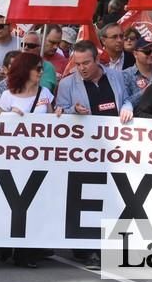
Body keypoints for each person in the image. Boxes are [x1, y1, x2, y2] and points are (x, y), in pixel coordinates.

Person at [55, 39, 134, 270]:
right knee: (88, 199)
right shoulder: (68, 84)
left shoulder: (116, 76)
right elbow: (59, 113)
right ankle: (87, 249)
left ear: (97, 60)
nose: (81, 68)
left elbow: (126, 98)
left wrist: (127, 108)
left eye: (86, 63)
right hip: (85, 151)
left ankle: (104, 246)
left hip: (114, 150)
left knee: (110, 197)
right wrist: (73, 111)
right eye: (77, 64)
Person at [0, 51, 54, 268]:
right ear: (26, 70)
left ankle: (26, 252)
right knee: (11, 202)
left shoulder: (45, 93)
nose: (41, 72)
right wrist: (6, 115)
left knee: (33, 203)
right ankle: (6, 243)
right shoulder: (8, 95)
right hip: (13, 158)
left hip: (38, 157)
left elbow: (53, 120)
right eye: (38, 68)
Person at [122, 37, 152, 102]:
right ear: (135, 54)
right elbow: (123, 103)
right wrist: (145, 92)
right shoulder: (125, 76)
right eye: (147, 51)